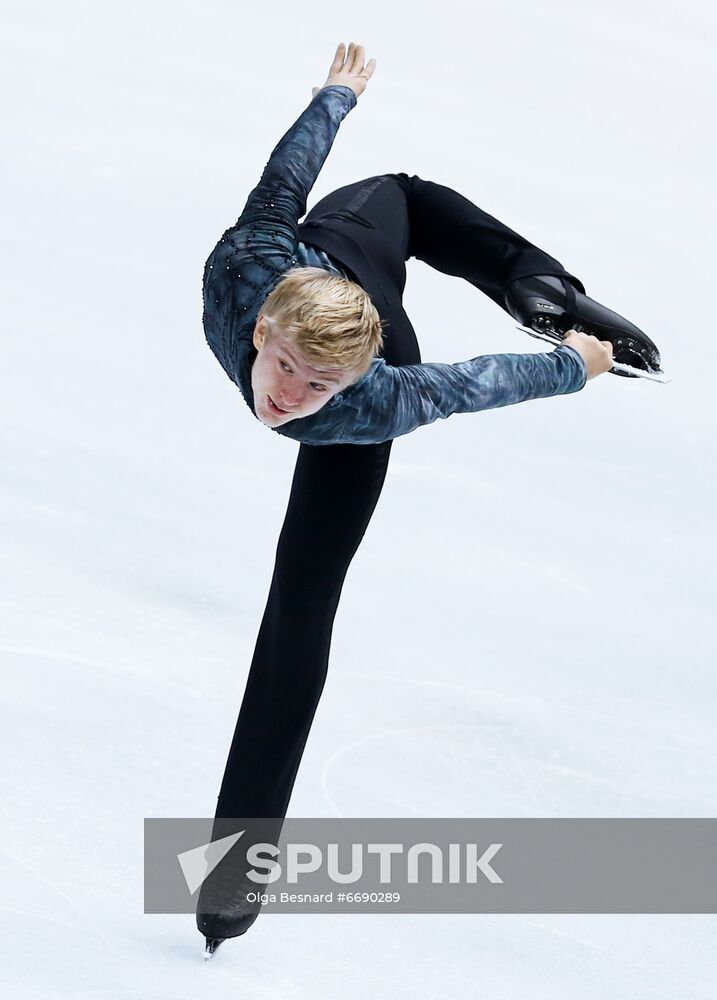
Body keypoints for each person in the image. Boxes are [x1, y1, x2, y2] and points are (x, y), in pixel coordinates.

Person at [196, 42, 662, 952]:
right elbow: (284, 177)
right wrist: (335, 94)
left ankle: (231, 877)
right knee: (389, 196)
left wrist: (572, 364)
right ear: (260, 332)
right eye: (285, 370)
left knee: (302, 601)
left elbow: (471, 383)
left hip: (373, 348)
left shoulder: (369, 400)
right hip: (327, 259)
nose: (289, 399)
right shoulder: (245, 268)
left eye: (314, 388)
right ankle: (528, 276)